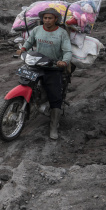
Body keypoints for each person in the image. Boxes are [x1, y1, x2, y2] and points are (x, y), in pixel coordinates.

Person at [15, 8, 71, 140]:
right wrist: (23, 49)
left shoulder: (62, 33)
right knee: (24, 81)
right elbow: (29, 42)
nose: (47, 20)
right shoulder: (37, 30)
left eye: (50, 18)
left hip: (53, 67)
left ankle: (53, 126)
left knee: (55, 96)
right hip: (36, 64)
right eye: (45, 18)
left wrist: (64, 61)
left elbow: (67, 50)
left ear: (55, 19)